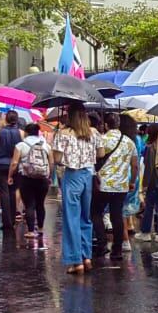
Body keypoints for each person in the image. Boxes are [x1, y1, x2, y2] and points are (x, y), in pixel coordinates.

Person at [53, 103, 100, 275]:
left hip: (72, 175)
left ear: (69, 116)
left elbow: (57, 158)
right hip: (88, 175)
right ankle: (87, 256)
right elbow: (101, 153)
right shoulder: (93, 132)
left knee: (71, 218)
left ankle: (76, 260)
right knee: (85, 217)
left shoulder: (63, 133)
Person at [93, 113, 138, 261]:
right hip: (121, 186)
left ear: (106, 125)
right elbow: (135, 165)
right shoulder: (129, 142)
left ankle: (101, 244)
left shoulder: (102, 140)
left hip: (102, 184)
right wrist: (132, 181)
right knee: (117, 215)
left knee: (96, 213)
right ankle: (117, 250)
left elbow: (94, 159)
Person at [11, 122, 51, 239]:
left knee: (29, 205)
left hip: (26, 178)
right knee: (40, 204)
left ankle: (30, 231)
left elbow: (14, 163)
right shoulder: (46, 145)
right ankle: (41, 229)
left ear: (26, 132)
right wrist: (48, 175)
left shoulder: (20, 145)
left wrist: (10, 175)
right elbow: (51, 162)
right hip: (42, 178)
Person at [0, 110, 23, 233]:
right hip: (14, 164)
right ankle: (13, 219)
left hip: (0, 164)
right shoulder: (21, 132)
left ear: (6, 119)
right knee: (13, 191)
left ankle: (6, 222)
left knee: (3, 193)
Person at [139, 122, 158, 242]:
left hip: (154, 181)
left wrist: (145, 184)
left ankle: (146, 232)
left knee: (149, 207)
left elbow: (149, 167)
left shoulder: (150, 148)